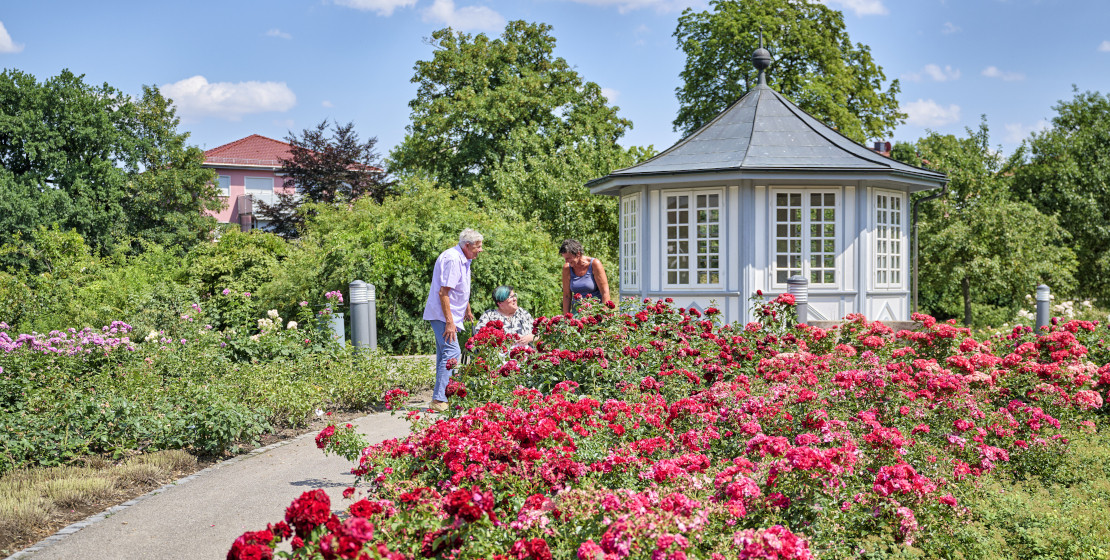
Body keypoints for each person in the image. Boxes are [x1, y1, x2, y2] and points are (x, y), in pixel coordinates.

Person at [422, 228, 484, 412]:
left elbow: (460, 287)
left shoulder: (465, 258)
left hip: (450, 314)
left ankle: (442, 397)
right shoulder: (453, 259)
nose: (480, 250)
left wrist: (467, 308)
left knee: (445, 355)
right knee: (452, 353)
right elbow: (444, 292)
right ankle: (439, 399)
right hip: (443, 315)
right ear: (467, 245)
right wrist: (449, 322)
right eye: (478, 247)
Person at [560, 239, 611, 315]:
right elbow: (567, 295)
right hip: (577, 311)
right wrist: (566, 318)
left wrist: (603, 315)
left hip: (595, 310)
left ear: (578, 254)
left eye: (568, 258)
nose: (566, 261)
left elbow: (605, 292)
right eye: (564, 258)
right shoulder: (567, 268)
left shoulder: (594, 264)